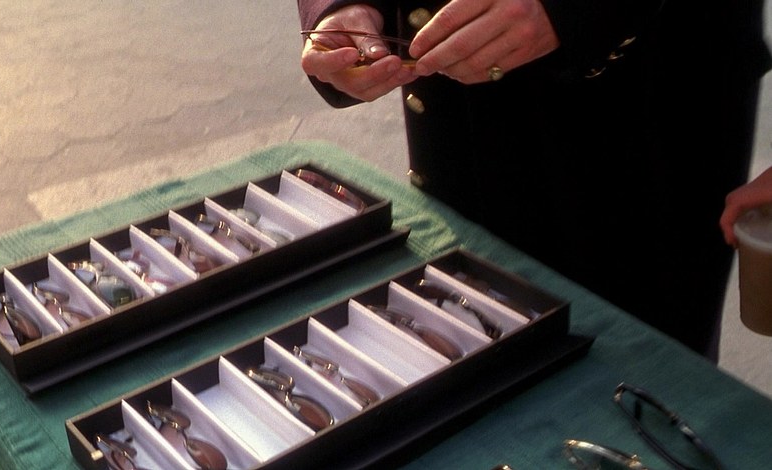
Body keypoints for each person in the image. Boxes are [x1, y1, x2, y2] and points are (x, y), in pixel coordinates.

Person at [297, 0, 771, 361]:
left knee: (642, 382)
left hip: (640, 130)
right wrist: (342, 6)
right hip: (457, 125)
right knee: (463, 347)